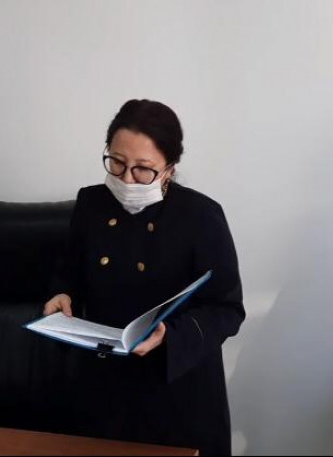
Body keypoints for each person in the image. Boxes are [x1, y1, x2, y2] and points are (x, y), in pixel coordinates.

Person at [43, 99, 245, 455]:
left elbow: (227, 309)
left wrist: (172, 335)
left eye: (142, 169)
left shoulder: (200, 216)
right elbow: (70, 272)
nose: (126, 179)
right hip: (104, 389)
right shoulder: (91, 204)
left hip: (177, 394)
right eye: (117, 163)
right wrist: (63, 294)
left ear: (169, 168)